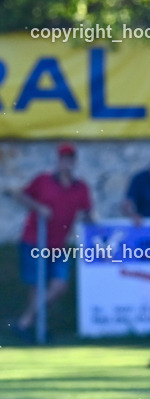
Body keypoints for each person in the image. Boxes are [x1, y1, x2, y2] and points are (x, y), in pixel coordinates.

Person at [11, 143, 94, 339]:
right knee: (37, 285)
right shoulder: (43, 180)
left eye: (70, 159)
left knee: (59, 285)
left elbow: (88, 210)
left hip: (59, 244)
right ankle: (38, 328)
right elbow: (21, 195)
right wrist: (38, 207)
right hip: (35, 240)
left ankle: (26, 321)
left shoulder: (80, 187)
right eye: (64, 158)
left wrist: (90, 219)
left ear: (74, 162)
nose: (67, 163)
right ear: (58, 161)